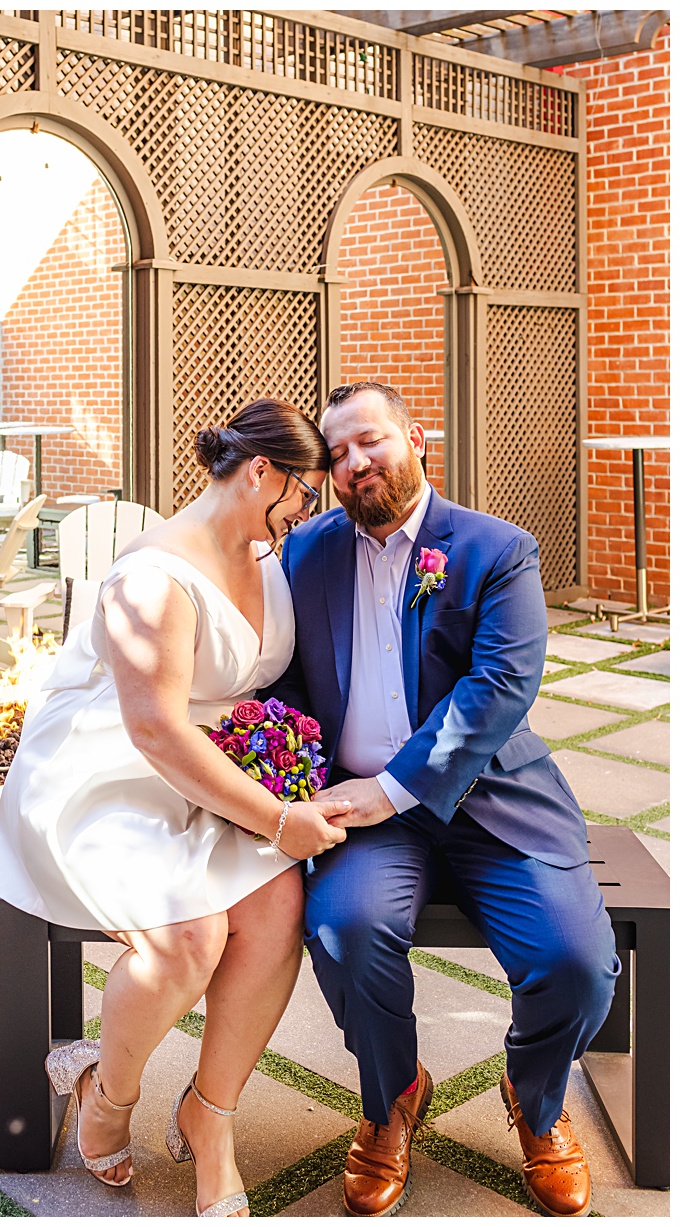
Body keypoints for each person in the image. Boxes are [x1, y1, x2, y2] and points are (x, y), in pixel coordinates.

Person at [0, 399, 349, 1216]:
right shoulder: (155, 576)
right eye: (303, 494)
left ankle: (209, 1116)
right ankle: (105, 1092)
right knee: (186, 937)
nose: (305, 513)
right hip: (107, 772)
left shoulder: (266, 556)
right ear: (262, 471)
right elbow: (153, 728)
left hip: (207, 772)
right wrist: (275, 817)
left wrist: (284, 769)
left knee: (277, 904)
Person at [270, 380, 618, 1217]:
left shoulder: (498, 549)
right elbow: (279, 683)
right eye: (339, 453)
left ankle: (535, 1101)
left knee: (575, 965)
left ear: (416, 438)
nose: (355, 463)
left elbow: (501, 686)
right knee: (344, 930)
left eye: (371, 441)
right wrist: (283, 786)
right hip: (362, 818)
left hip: (488, 798)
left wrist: (392, 790)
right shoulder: (304, 553)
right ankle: (391, 1097)